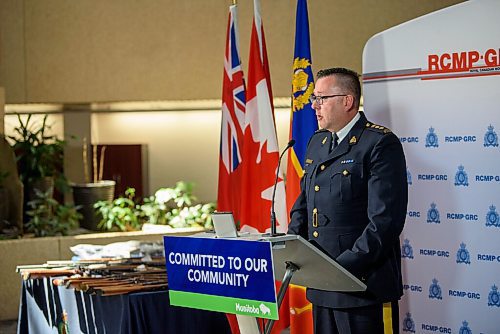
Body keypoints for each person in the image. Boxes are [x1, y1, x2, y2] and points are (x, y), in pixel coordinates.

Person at [288, 67, 408, 334]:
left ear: (347, 101)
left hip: (361, 285)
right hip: (322, 283)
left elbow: (385, 222)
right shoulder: (318, 142)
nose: (314, 106)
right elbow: (304, 202)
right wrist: (294, 247)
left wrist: (341, 268)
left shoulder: (379, 143)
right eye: (313, 99)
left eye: (321, 99)